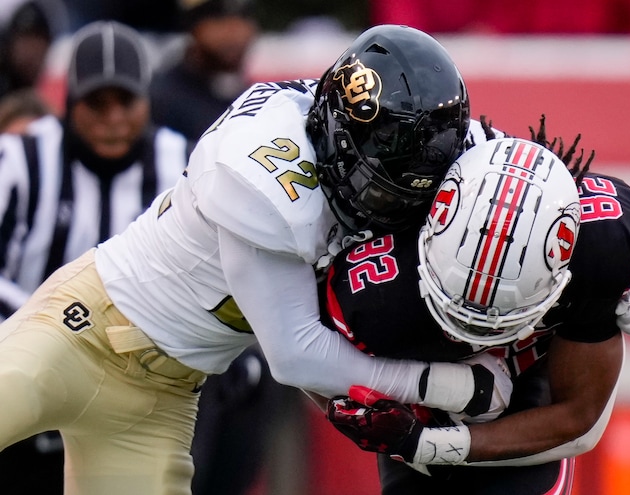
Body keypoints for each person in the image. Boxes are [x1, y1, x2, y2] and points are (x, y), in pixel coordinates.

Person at [0, 24, 508, 494]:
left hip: (161, 397)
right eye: (376, 178)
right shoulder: (263, 169)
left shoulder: (417, 136)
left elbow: (509, 170)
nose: (385, 205)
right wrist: (451, 386)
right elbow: (296, 354)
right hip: (80, 330)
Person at [325, 134, 630, 494]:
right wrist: (382, 419)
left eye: (500, 314)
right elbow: (299, 356)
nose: (474, 328)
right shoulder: (373, 284)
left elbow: (578, 416)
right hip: (418, 372)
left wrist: (425, 444)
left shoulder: (597, 248)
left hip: (531, 375)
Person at [0, 20, 192, 494]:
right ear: (70, 103)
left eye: (124, 102)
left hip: (139, 385)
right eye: (96, 103)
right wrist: (43, 328)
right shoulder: (21, 160)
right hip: (26, 364)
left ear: (146, 101)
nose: (112, 119)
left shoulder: (183, 166)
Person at [149, 0, 258, 141]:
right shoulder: (161, 100)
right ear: (194, 26)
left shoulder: (254, 96)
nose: (234, 31)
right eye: (220, 20)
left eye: (243, 17)